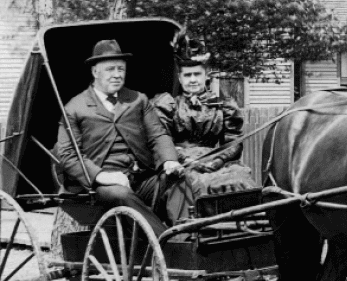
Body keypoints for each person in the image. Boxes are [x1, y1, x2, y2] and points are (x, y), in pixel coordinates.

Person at [54, 39, 186, 235]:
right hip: (98, 186)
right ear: (95, 72)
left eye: (121, 69)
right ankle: (165, 244)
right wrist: (101, 176)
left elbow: (158, 134)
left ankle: (187, 236)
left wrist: (169, 160)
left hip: (140, 178)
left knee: (180, 180)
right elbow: (67, 154)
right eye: (110, 69)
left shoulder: (138, 100)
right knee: (120, 193)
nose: (117, 75)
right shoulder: (75, 107)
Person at [153, 51, 256, 198]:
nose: (193, 80)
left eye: (197, 74)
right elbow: (162, 141)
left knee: (240, 179)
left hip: (214, 162)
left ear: (206, 76)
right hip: (181, 164)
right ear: (180, 79)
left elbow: (234, 142)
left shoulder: (222, 106)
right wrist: (187, 160)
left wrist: (219, 160)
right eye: (188, 75)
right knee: (195, 184)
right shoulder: (168, 105)